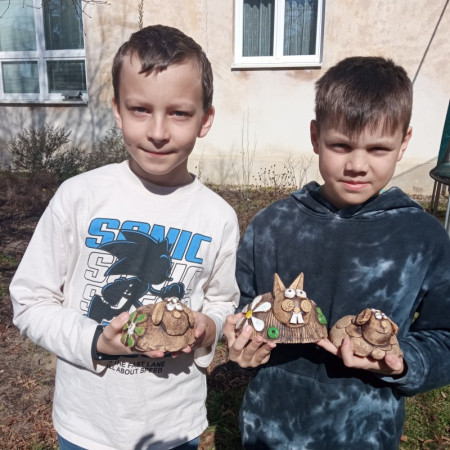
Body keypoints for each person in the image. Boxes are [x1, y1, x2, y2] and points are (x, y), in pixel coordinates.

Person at [10, 25, 240, 450]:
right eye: (140, 109)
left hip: (174, 426)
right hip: (87, 427)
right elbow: (30, 300)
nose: (158, 131)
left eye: (179, 113)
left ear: (205, 119)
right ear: (117, 109)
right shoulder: (79, 196)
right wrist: (97, 341)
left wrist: (209, 328)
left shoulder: (218, 217)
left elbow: (223, 301)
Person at [223, 56, 450, 449]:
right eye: (340, 145)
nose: (357, 165)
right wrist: (241, 342)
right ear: (315, 136)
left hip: (365, 434)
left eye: (378, 149)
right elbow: (246, 308)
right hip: (271, 428)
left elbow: (444, 337)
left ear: (404, 143)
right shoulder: (271, 226)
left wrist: (403, 362)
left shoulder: (423, 238)